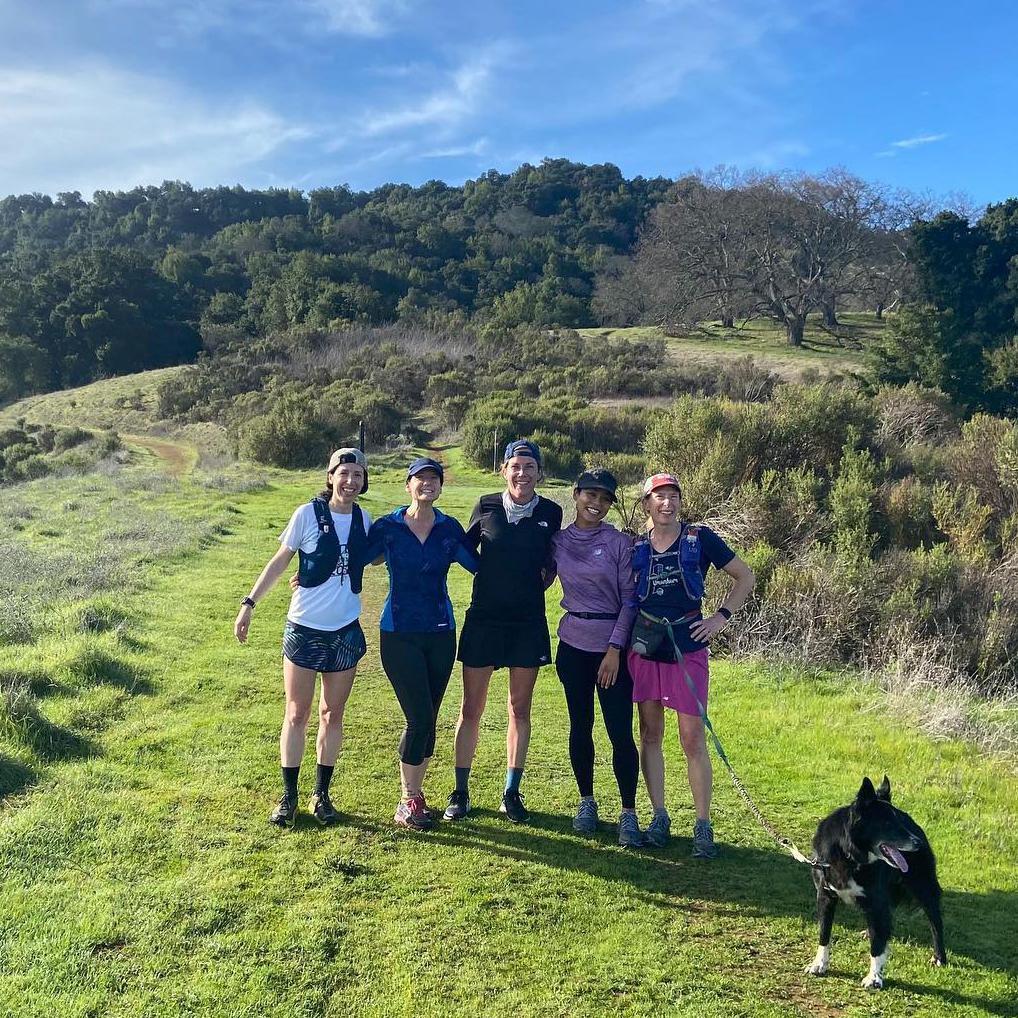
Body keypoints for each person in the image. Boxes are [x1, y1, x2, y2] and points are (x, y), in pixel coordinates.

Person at [234, 448, 371, 828]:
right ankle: (288, 796)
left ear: (363, 481)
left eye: (357, 475)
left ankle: (321, 793)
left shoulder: (364, 518)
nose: (350, 481)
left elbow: (379, 555)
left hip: (345, 631)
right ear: (330, 476)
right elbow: (280, 560)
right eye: (343, 473)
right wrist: (249, 603)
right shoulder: (307, 514)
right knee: (297, 714)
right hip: (305, 629)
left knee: (333, 714)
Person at [628, 472, 755, 857]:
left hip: (689, 650)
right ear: (646, 503)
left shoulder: (699, 540)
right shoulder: (635, 546)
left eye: (673, 496)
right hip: (646, 649)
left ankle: (703, 825)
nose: (667, 503)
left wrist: (720, 618)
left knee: (692, 739)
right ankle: (660, 817)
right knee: (650, 734)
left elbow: (745, 577)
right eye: (659, 497)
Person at [445, 439, 563, 823]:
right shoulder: (486, 505)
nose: (522, 474)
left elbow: (554, 560)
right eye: (515, 466)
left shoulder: (551, 512)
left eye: (530, 467)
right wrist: (490, 575)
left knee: (519, 709)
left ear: (540, 473)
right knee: (471, 709)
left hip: (527, 622)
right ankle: (460, 792)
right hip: (484, 619)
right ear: (504, 471)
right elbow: (462, 550)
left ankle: (511, 793)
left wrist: (537, 584)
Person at [359, 457, 477, 831]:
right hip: (399, 634)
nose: (427, 484)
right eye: (420, 478)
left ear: (441, 487)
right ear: (407, 485)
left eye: (434, 479)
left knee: (429, 720)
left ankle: (416, 794)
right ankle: (407, 801)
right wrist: (309, 572)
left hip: (441, 634)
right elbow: (355, 558)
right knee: (419, 718)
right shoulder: (389, 526)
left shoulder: (448, 528)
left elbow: (479, 565)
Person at [548, 468, 643, 847]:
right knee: (580, 724)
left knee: (619, 730)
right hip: (572, 645)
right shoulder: (557, 541)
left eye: (605, 499)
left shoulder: (619, 543)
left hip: (611, 651)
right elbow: (538, 576)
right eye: (590, 495)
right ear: (575, 495)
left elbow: (630, 599)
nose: (597, 504)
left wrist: (615, 649)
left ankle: (629, 813)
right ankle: (586, 801)